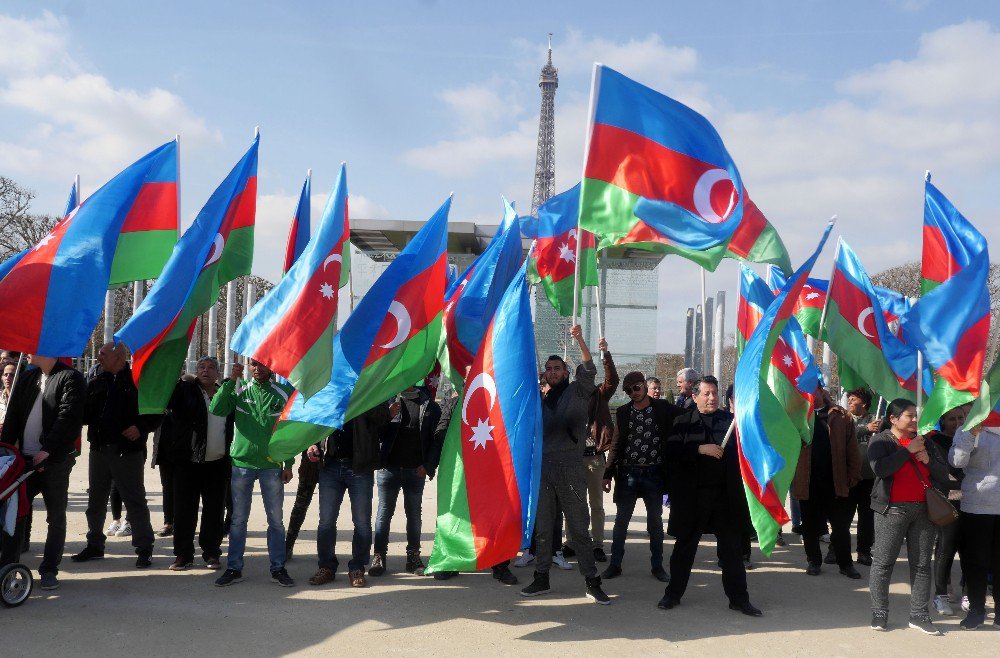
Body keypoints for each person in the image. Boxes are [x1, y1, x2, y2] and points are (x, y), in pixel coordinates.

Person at [520, 325, 610, 604]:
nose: (552, 371)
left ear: (566, 372)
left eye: (557, 368)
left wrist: (580, 339)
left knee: (579, 527)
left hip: (571, 468)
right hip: (543, 469)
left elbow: (589, 366)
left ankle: (592, 581)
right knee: (544, 528)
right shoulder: (539, 398)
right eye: (549, 368)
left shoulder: (578, 391)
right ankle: (541, 578)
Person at [658, 376, 762, 617]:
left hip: (725, 498)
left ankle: (739, 599)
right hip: (693, 499)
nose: (712, 397)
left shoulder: (731, 421)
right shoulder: (682, 421)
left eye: (715, 393)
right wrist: (699, 449)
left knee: (732, 552)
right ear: (694, 397)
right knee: (684, 549)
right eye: (706, 393)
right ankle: (672, 594)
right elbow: (671, 453)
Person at [0, 353, 85, 590]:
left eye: (33, 346)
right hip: (23, 461)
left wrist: (48, 450)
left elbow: (68, 417)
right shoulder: (27, 377)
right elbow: (14, 418)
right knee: (14, 514)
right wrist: (4, 450)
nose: (27, 350)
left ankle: (49, 569)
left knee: (55, 516)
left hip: (54, 462)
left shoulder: (70, 378)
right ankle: (8, 568)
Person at [867, 398, 951, 635]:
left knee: (922, 565)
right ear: (893, 419)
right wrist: (907, 450)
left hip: (924, 511)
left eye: (916, 415)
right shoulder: (881, 440)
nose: (915, 419)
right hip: (892, 511)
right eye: (909, 415)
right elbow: (880, 469)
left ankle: (919, 615)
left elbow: (944, 475)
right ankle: (880, 613)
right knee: (883, 563)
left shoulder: (925, 442)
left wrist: (929, 461)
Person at [73, 343, 159, 569]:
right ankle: (94, 545)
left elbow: (157, 411)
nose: (98, 358)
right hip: (99, 450)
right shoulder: (96, 382)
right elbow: (86, 414)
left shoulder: (137, 381)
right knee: (95, 501)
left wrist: (141, 427)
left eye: (102, 354)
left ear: (118, 356)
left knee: (134, 500)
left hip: (126, 451)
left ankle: (144, 548)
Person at [212, 360, 295, 588]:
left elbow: (290, 430)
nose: (257, 368)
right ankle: (233, 568)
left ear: (271, 367)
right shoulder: (239, 388)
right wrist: (230, 381)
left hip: (271, 466)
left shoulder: (283, 392)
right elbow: (216, 408)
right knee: (238, 520)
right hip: (242, 464)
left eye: (262, 364)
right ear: (249, 367)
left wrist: (288, 463)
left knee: (276, 521)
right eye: (253, 364)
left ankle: (278, 568)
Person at [601, 370, 679, 582]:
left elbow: (686, 415)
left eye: (636, 387)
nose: (633, 393)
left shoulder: (662, 408)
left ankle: (657, 566)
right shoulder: (624, 412)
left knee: (655, 523)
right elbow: (616, 444)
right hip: (628, 474)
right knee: (621, 523)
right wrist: (607, 474)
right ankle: (615, 564)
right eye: (628, 390)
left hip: (654, 473)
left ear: (644, 385)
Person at [307, 403, 392, 588]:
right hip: (329, 465)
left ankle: (357, 567)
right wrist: (312, 444)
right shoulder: (331, 385)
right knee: (326, 521)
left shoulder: (370, 386)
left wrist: (363, 397)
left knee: (361, 522)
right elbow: (314, 420)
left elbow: (383, 418)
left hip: (359, 466)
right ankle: (326, 567)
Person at [162, 356, 232, 571]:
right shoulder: (185, 391)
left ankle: (211, 553)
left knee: (214, 511)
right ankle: (183, 554)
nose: (206, 371)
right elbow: (168, 398)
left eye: (211, 367)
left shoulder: (225, 394)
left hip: (217, 463)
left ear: (218, 373)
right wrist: (182, 379)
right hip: (187, 462)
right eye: (201, 367)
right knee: (184, 511)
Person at [791, 386, 862, 579]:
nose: (810, 395)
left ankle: (845, 563)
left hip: (835, 480)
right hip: (807, 480)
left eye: (813, 390)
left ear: (822, 392)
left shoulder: (840, 416)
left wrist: (853, 473)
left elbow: (852, 447)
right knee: (810, 526)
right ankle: (814, 561)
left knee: (840, 526)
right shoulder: (797, 417)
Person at [370, 387, 442, 577]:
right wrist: (387, 414)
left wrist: (427, 465)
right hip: (389, 469)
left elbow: (436, 440)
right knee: (384, 513)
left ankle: (413, 557)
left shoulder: (430, 407)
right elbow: (375, 432)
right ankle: (379, 556)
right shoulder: (387, 400)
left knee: (414, 515)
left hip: (415, 471)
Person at [949, 421, 1000, 630]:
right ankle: (977, 610)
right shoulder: (969, 428)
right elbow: (956, 460)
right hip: (978, 505)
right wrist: (970, 434)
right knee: (976, 562)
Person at [923, 405, 966, 616]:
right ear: (943, 421)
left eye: (961, 417)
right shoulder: (934, 441)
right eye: (952, 418)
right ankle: (940, 594)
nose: (957, 422)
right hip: (948, 502)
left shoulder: (971, 438)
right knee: (945, 549)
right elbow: (941, 472)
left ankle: (968, 592)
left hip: (973, 502)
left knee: (971, 550)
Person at [583, 339, 618, 563]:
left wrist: (606, 354)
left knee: (596, 503)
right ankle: (572, 542)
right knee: (573, 504)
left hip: (594, 457)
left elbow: (612, 379)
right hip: (571, 457)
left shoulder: (600, 394)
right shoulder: (570, 396)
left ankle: (597, 544)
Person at [845, 388, 878, 566]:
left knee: (866, 518)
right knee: (844, 516)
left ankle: (864, 552)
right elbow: (843, 437)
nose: (849, 401)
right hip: (849, 477)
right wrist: (864, 430)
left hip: (869, 478)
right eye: (848, 399)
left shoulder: (875, 419)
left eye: (853, 399)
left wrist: (878, 429)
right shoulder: (844, 419)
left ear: (864, 403)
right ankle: (837, 550)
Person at [285, 450, 319, 560]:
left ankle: (327, 555)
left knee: (329, 511)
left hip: (334, 461)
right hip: (310, 463)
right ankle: (288, 545)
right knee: (300, 505)